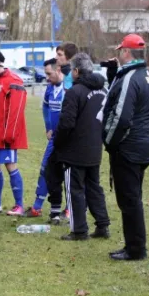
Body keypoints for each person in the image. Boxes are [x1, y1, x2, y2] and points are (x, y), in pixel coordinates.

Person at [102, 34, 149, 261]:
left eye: (120, 50)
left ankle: (135, 249)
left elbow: (122, 117)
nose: (117, 54)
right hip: (143, 146)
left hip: (128, 149)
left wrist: (109, 141)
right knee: (133, 198)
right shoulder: (146, 76)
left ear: (126, 52)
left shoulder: (130, 79)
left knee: (129, 200)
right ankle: (134, 245)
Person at [52, 53, 110, 241]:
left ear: (76, 71)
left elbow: (66, 123)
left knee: (74, 190)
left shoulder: (74, 92)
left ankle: (79, 230)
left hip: (74, 151)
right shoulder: (104, 90)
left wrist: (58, 143)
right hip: (94, 148)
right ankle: (102, 225)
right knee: (94, 188)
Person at [0, 50, 28, 216]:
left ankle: (19, 205)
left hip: (6, 137)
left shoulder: (14, 81)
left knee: (11, 167)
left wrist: (10, 135)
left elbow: (16, 112)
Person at [25, 58, 65, 220]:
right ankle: (37, 207)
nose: (47, 77)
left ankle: (69, 209)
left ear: (59, 70)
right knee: (45, 169)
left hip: (69, 140)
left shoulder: (69, 89)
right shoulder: (50, 89)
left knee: (70, 174)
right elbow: (46, 107)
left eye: (49, 73)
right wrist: (48, 126)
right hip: (54, 139)